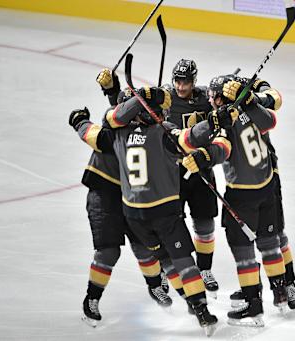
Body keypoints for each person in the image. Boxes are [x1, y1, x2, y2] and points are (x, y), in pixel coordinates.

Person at [69, 84, 233, 336]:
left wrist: (80, 120)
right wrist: (212, 124)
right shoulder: (158, 132)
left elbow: (101, 124)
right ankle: (197, 306)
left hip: (132, 206)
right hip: (115, 198)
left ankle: (175, 294)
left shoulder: (116, 131)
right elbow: (187, 138)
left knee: (156, 255)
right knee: (114, 252)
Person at [203, 74, 295, 327]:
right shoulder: (250, 109)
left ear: (220, 98)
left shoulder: (222, 120)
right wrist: (250, 102)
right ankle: (280, 293)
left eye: (213, 97)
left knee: (243, 249)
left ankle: (253, 304)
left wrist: (201, 156)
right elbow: (270, 119)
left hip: (242, 193)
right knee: (270, 241)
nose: (210, 101)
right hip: (267, 185)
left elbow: (219, 150)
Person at [76, 69, 172, 328]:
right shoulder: (116, 129)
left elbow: (122, 109)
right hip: (103, 192)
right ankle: (91, 299)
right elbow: (102, 130)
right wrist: (80, 121)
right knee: (108, 251)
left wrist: (111, 91)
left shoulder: (140, 129)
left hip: (130, 195)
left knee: (144, 246)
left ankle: (155, 286)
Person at [163, 59, 220, 297]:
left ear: (194, 81)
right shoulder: (165, 96)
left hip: (200, 169)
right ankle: (164, 272)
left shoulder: (205, 97)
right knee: (166, 224)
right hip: (171, 172)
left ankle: (204, 270)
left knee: (204, 221)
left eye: (185, 81)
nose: (180, 86)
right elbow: (133, 107)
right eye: (177, 80)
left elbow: (222, 110)